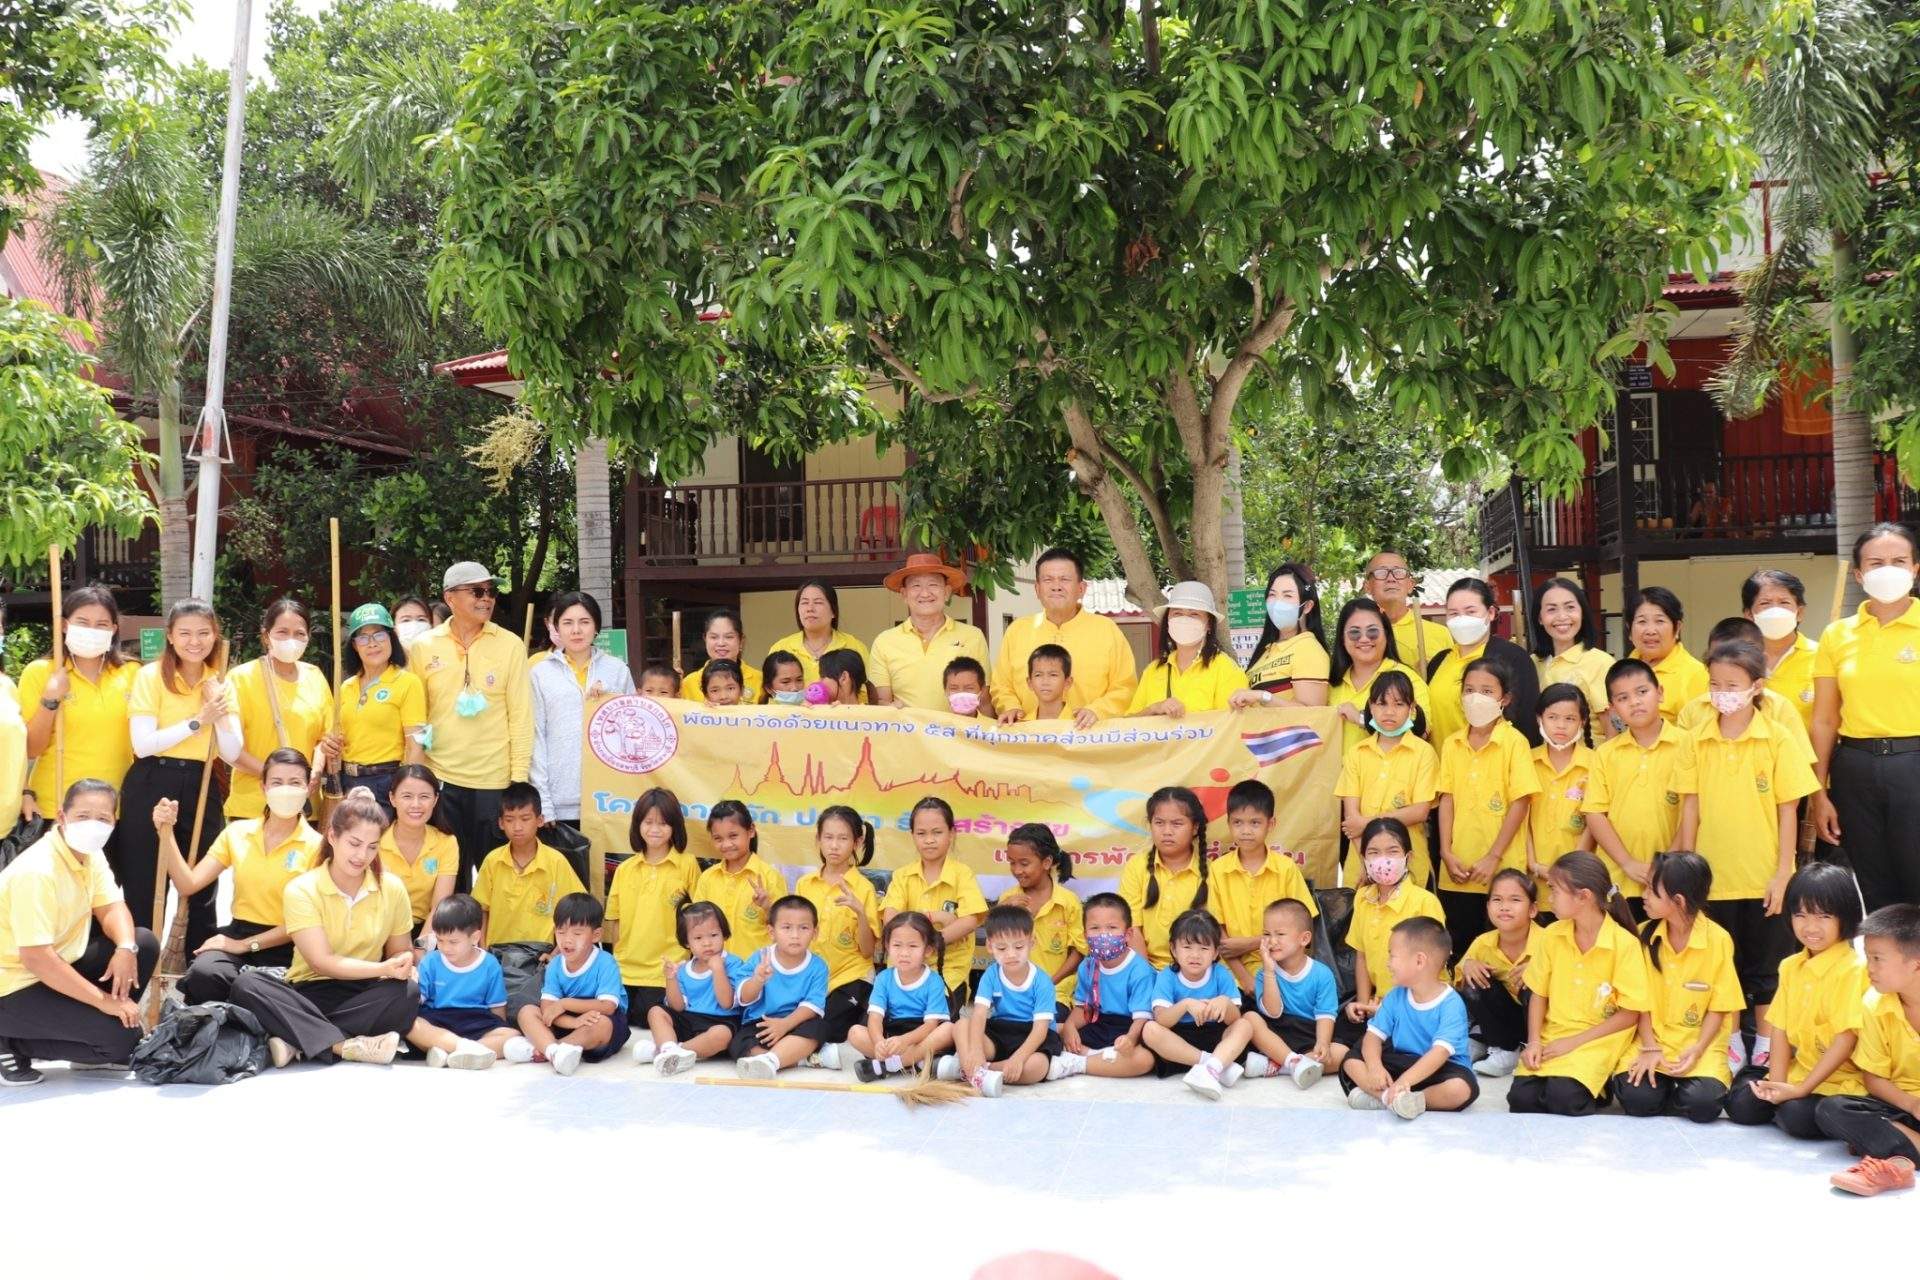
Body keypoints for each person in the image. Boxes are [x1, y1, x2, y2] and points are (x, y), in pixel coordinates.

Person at [1683, 639, 1817, 1070]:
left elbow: (1789, 809)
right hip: (1711, 877)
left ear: (1757, 686)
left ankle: (1764, 1040)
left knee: (1767, 965)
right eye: (1714, 684)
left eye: (1732, 685)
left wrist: (1783, 873)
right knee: (1722, 964)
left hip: (1763, 877)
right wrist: (1685, 870)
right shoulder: (1695, 740)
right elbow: (1689, 808)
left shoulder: (1777, 738)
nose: (1722, 693)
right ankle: (1728, 1040)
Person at [228, 787, 420, 1068]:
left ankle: (297, 1041)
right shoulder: (302, 889)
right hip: (310, 991)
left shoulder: (392, 887)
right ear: (332, 836)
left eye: (372, 847)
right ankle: (342, 1045)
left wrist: (404, 963)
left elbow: (399, 951)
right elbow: (321, 962)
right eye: (354, 843)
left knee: (408, 993)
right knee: (247, 985)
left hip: (363, 992)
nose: (362, 855)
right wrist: (383, 968)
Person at [0, 779, 158, 1084]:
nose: (93, 825)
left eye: (103, 818)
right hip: (12, 984)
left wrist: (126, 947)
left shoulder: (90, 854)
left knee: (142, 942)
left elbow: (111, 907)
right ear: (61, 816)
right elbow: (36, 958)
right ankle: (9, 1042)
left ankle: (90, 1036)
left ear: (114, 822)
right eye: (83, 816)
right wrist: (104, 1002)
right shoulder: (36, 872)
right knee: (121, 1040)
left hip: (58, 965)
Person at [155, 747, 322, 1004]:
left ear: (309, 788)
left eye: (295, 783)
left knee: (254, 985)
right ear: (263, 787)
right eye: (277, 782)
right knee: (203, 973)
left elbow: (307, 922)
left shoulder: (318, 846)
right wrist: (166, 833)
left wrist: (246, 945)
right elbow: (188, 884)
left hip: (290, 943)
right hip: (239, 932)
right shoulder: (238, 833)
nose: (285, 790)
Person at [1811, 522, 1920, 913]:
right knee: (1874, 887)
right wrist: (1819, 792)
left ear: (1915, 569)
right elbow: (1824, 720)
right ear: (1858, 574)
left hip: (1914, 763)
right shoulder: (1836, 635)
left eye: (1898, 561)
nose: (1888, 570)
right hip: (1855, 768)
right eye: (1876, 563)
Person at [120, 599, 240, 949]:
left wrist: (219, 712)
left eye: (203, 633)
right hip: (151, 779)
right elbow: (143, 744)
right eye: (185, 633)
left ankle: (199, 961)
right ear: (170, 636)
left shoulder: (221, 682)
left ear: (215, 635)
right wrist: (199, 720)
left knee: (202, 877)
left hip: (202, 780)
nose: (194, 641)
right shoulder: (150, 676)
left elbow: (231, 751)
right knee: (143, 878)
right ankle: (140, 957)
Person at [1725, 863, 1870, 1136]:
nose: (1810, 927)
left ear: (1846, 917)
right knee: (1741, 1106)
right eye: (1800, 915)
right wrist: (1777, 1085)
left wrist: (1801, 1090)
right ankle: (1777, 1096)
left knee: (1796, 1117)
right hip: (1799, 1071)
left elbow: (1846, 1040)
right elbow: (1779, 1029)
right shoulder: (1790, 966)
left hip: (1839, 1083)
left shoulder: (1854, 970)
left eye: (1824, 916)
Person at [413, 561, 533, 887]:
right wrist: (417, 775)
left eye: (491, 591)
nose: (487, 599)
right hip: (441, 779)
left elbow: (521, 716)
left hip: (494, 781)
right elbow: (417, 718)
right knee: (450, 879)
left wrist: (518, 781)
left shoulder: (510, 645)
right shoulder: (424, 647)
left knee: (499, 879)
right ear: (449, 598)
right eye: (477, 591)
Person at [1508, 851, 1650, 1116]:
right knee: (1521, 1099)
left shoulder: (1624, 944)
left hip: (1599, 1038)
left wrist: (1573, 1043)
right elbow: (1538, 993)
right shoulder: (1552, 935)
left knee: (1564, 1098)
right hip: (1554, 1034)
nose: (1549, 898)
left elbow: (1630, 1014)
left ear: (1584, 896)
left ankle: (1601, 1086)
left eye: (1554, 890)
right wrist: (1534, 1042)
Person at [1612, 851, 1743, 1124]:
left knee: (1703, 1104)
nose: (1644, 895)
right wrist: (1650, 1048)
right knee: (1638, 1100)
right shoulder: (1643, 935)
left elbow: (1720, 1007)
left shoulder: (1718, 940)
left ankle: (1679, 1089)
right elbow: (1637, 1002)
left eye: (1651, 890)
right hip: (1649, 1041)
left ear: (1678, 901)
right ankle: (1665, 1091)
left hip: (1700, 1044)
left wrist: (1698, 1049)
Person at [1434, 657, 1540, 960]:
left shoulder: (1515, 742)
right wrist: (1446, 852)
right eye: (1469, 690)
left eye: (1486, 691)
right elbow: (1447, 799)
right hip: (1458, 870)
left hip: (1501, 869)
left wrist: (1493, 856)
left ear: (1504, 699)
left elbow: (1521, 801)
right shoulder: (1452, 744)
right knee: (1462, 952)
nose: (1476, 698)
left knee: (1502, 954)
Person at [1816, 903, 1920, 1194]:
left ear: (1916, 964)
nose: (1869, 969)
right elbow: (1873, 1078)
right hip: (1904, 1106)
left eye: (1877, 959)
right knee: (1832, 1109)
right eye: (1867, 957)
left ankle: (1890, 1152)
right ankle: (1902, 1150)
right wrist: (1912, 1105)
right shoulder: (1874, 1004)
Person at [16, 585, 137, 824]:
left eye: (101, 624)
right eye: (82, 622)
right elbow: (30, 749)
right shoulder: (40, 672)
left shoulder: (132, 673)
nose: (92, 630)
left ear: (113, 629)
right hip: (58, 805)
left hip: (115, 807)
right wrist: (50, 699)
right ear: (64, 625)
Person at [1581, 659, 1698, 903]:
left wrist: (1666, 862)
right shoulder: (1605, 753)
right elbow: (1594, 813)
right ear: (1613, 708)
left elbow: (1694, 807)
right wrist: (1627, 862)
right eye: (1623, 698)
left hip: (1672, 879)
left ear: (1660, 693)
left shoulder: (1688, 744)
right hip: (1618, 879)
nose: (1634, 702)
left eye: (1642, 692)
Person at [1339, 916, 1479, 1118]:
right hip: (1400, 1061)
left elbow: (1439, 1053)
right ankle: (1389, 1098)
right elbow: (1373, 1037)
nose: (1388, 964)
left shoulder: (1451, 1003)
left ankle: (1409, 1099)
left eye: (1392, 956)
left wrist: (1405, 1081)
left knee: (1461, 1089)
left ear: (1419, 961)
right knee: (1352, 1061)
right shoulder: (1395, 995)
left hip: (1440, 1068)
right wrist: (1375, 1067)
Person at [472, 782, 586, 1016]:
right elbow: (481, 910)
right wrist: (483, 953)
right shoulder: (493, 861)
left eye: (525, 819)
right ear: (500, 823)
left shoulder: (556, 861)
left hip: (541, 956)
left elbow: (577, 912)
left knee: (531, 1009)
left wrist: (556, 954)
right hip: (498, 955)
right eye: (510, 819)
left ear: (540, 820)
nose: (517, 827)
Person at [990, 547, 1137, 727]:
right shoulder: (1017, 630)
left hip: (1090, 736)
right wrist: (1010, 707)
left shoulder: (1107, 630)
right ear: (1037, 589)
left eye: (1065, 579)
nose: (1056, 586)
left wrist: (1098, 711)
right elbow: (1001, 685)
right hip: (1029, 736)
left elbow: (1125, 687)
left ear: (1081, 588)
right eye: (1048, 580)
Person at [1338, 818, 1446, 1048]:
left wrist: (1391, 1005)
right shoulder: (1362, 897)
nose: (1383, 860)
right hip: (1377, 1004)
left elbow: (1432, 967)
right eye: (1374, 852)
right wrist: (1364, 1004)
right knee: (1335, 1046)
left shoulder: (1425, 902)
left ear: (1408, 857)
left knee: (1365, 1053)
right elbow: (1362, 956)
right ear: (1364, 859)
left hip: (1418, 1005)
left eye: (1392, 851)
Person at [529, 590, 634, 826]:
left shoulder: (617, 670)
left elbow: (633, 729)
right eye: (567, 623)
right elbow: (536, 737)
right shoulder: (540, 673)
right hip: (559, 800)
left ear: (596, 627)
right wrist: (543, 801)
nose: (576, 630)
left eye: (584, 622)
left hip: (610, 799)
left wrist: (609, 698)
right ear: (556, 628)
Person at [225, 598, 336, 821]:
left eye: (299, 633)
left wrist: (314, 773)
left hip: (304, 806)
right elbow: (230, 750)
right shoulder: (240, 678)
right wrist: (278, 778)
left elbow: (325, 739)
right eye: (282, 632)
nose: (291, 640)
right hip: (254, 807)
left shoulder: (315, 676)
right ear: (266, 636)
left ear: (308, 637)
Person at [607, 788, 699, 1044]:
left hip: (665, 970)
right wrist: (615, 962)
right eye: (648, 822)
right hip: (624, 970)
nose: (655, 829)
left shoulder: (687, 864)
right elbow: (614, 921)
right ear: (637, 824)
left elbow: (698, 919)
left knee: (650, 1016)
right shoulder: (625, 869)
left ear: (675, 826)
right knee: (613, 1017)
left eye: (663, 823)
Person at [942, 904, 1063, 1096]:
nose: (1011, 954)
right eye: (1002, 948)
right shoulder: (991, 974)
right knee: (961, 1025)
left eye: (1019, 947)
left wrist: (1018, 1059)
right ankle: (974, 1068)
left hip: (1031, 1035)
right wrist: (976, 1050)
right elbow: (979, 1014)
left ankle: (970, 1071)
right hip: (1001, 1031)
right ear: (990, 946)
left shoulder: (1042, 981)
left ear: (1032, 942)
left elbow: (1040, 1030)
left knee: (1037, 1068)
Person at [503, 892, 628, 1075]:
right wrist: (573, 1022)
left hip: (598, 1018)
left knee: (601, 1025)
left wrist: (565, 1004)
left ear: (596, 935)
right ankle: (554, 1052)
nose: (567, 940)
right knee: (527, 1011)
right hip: (566, 1020)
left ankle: (541, 1050)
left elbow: (607, 1006)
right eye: (560, 932)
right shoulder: (555, 964)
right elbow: (548, 1009)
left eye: (577, 933)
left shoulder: (605, 962)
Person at [1210, 779, 1316, 993]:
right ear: (1228, 823)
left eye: (1255, 823)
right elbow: (1218, 933)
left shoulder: (1286, 868)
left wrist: (1250, 943)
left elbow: (1302, 928)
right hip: (1232, 975)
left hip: (1282, 970)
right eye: (1238, 822)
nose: (1246, 831)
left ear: (1271, 824)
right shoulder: (1218, 869)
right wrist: (1245, 979)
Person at [1335, 669, 1437, 888]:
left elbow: (1420, 811)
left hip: (1410, 866)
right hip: (1360, 868)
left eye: (1399, 704)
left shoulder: (1424, 753)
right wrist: (1366, 864)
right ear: (1370, 707)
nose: (1389, 712)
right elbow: (1352, 822)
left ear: (1412, 709)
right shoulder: (1356, 753)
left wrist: (1367, 823)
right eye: (1381, 704)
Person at [794, 805, 881, 1056]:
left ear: (857, 842)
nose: (834, 846)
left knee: (824, 1026)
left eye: (843, 838)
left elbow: (867, 951)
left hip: (851, 978)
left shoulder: (863, 888)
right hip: (811, 978)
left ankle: (808, 1053)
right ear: (818, 839)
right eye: (828, 837)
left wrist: (860, 913)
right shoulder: (805, 884)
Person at [1141, 909, 1253, 1100]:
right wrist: (1185, 1004)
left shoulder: (1221, 974)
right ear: (1174, 949)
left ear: (1215, 952)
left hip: (1216, 1039)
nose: (1195, 955)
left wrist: (1225, 1003)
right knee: (1150, 1029)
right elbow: (1162, 1019)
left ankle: (1214, 1065)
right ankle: (1213, 1066)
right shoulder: (1167, 976)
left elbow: (1234, 1018)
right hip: (1179, 1045)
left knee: (1245, 1024)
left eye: (1203, 948)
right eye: (1187, 947)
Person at [882, 797, 987, 999]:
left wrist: (932, 942)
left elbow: (970, 920)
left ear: (951, 833)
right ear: (912, 835)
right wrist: (915, 942)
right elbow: (890, 917)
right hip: (902, 970)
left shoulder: (963, 874)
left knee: (937, 1016)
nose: (929, 840)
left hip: (947, 972)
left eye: (937, 832)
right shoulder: (902, 876)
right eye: (921, 833)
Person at [1050, 894, 1158, 1081]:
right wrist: (1069, 1026)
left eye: (1112, 928)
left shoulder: (1140, 970)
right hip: (1100, 1023)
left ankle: (1079, 1062)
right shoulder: (1087, 965)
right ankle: (1101, 1058)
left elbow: (1142, 1018)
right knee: (1053, 1030)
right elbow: (1084, 1008)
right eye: (1095, 928)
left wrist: (1130, 1039)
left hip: (1131, 1026)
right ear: (1085, 935)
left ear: (1128, 934)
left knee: (1145, 1060)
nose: (1103, 935)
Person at [1238, 898, 1341, 1086]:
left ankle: (1279, 1066)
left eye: (1280, 934)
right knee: (1250, 1018)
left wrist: (1322, 1043)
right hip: (1275, 1034)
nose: (1272, 941)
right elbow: (1273, 1012)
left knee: (1342, 1053)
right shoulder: (1263, 973)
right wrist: (1270, 971)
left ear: (1304, 939)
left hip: (1309, 1033)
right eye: (1266, 934)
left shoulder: (1322, 974)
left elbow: (1325, 1014)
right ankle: (1294, 1062)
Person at [1426, 577, 1539, 746]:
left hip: (1491, 760)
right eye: (1454, 613)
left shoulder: (1512, 658)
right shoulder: (1439, 661)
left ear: (1490, 613)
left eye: (1471, 612)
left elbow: (1527, 723)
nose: (1462, 619)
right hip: (1443, 760)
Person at [407, 894, 514, 1070]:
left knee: (511, 1036)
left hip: (476, 1020)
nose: (445, 947)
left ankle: (449, 1052)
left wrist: (499, 1027)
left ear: (475, 937)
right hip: (437, 1020)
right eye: (440, 940)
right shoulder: (431, 961)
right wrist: (410, 980)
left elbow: (497, 1009)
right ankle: (462, 1049)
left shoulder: (489, 964)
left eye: (453, 941)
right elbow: (418, 999)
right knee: (411, 1024)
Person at [870, 555, 990, 712]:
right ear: (904, 594)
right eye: (916, 586)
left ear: (946, 592)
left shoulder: (973, 636)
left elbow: (984, 699)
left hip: (957, 727)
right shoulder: (885, 642)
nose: (925, 593)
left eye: (933, 584)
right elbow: (881, 702)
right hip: (908, 727)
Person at [336, 603, 426, 811]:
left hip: (386, 782)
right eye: (363, 637)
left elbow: (416, 746)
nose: (372, 644)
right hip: (347, 781)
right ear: (354, 645)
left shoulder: (407, 682)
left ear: (391, 638)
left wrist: (406, 792)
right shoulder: (346, 687)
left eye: (379, 635)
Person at [729, 895, 831, 1079]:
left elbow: (812, 1006)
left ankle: (771, 1061)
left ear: (815, 932)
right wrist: (757, 980)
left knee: (818, 1028)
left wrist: (785, 1025)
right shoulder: (760, 958)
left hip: (795, 1023)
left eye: (804, 928)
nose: (795, 935)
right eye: (786, 927)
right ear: (772, 931)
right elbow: (743, 997)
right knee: (739, 1043)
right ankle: (799, 1059)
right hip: (761, 1024)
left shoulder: (818, 966)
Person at [1457, 868, 1546, 1078]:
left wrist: (1540, 971)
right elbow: (1457, 984)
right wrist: (1468, 965)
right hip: (1505, 1021)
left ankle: (1519, 1046)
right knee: (1472, 982)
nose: (1504, 907)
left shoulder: (1549, 941)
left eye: (1515, 900)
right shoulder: (1483, 943)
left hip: (1541, 1023)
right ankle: (1504, 1048)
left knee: (1533, 982)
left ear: (1532, 909)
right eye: (1497, 900)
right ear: (1488, 906)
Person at [847, 912, 955, 1083]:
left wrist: (905, 1041)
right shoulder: (883, 978)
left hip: (920, 1036)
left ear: (927, 950)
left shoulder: (933, 981)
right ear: (887, 946)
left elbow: (931, 1025)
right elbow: (875, 1018)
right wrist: (879, 1042)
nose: (904, 953)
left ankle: (889, 1065)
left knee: (948, 1029)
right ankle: (916, 1063)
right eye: (897, 945)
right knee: (855, 1032)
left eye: (913, 946)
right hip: (892, 1035)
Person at [647, 901, 752, 1076]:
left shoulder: (733, 963)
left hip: (721, 1021)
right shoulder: (684, 968)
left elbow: (726, 1003)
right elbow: (677, 1007)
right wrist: (671, 978)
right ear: (687, 942)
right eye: (698, 938)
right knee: (655, 1011)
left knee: (721, 1035)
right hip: (688, 1020)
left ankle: (671, 1051)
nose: (707, 943)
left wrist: (718, 970)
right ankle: (668, 1048)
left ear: (724, 934)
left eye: (714, 935)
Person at [1117, 786, 1212, 969]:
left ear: (1195, 827)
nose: (1167, 831)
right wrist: (1147, 975)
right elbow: (1132, 927)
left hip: (1196, 969)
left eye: (1177, 824)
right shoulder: (1137, 866)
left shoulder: (1211, 872)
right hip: (1146, 968)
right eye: (1159, 823)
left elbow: (1212, 935)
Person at [1126, 581, 1249, 717]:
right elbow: (1128, 723)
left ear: (1209, 624)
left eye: (1194, 614)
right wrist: (1154, 708)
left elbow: (1232, 723)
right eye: (1177, 613)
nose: (1184, 619)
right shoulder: (1152, 671)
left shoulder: (1226, 669)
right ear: (1168, 621)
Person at [996, 823, 1082, 1014]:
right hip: (1012, 992)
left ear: (1046, 862)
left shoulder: (1068, 902)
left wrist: (1049, 982)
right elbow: (996, 944)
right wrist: (1004, 912)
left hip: (1055, 992)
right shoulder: (1007, 899)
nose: (1017, 870)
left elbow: (1079, 951)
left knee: (1049, 1025)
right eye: (1012, 862)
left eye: (1024, 863)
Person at [1524, 684, 1596, 909]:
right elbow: (1520, 818)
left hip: (1578, 880)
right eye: (1552, 717)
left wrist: (1570, 870)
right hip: (1532, 877)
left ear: (1582, 721)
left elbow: (1595, 822)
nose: (1561, 725)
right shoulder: (1526, 761)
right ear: (1539, 718)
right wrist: (1532, 863)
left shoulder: (1595, 763)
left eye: (1570, 718)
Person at [1329, 597, 1432, 753]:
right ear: (1342, 639)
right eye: (1354, 633)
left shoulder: (1407, 679)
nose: (1364, 639)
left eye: (1372, 631)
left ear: (1387, 634)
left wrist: (1362, 719)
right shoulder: (1330, 683)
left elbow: (1421, 731)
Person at [696, 800, 789, 960]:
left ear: (751, 831)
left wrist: (768, 907)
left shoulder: (770, 876)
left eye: (733, 836)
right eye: (718, 838)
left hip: (756, 969)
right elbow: (696, 925)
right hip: (716, 968)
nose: (726, 844)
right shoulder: (708, 878)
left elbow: (786, 927)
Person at [1231, 562, 1330, 708]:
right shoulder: (1267, 649)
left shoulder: (1309, 650)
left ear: (1307, 606)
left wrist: (1262, 697)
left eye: (1287, 595)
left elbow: (1311, 713)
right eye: (1272, 594)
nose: (1277, 603)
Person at [378, 765, 459, 940]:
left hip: (427, 930)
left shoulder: (447, 842)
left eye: (424, 797)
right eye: (407, 796)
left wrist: (421, 948)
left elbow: (439, 907)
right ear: (392, 798)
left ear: (435, 800)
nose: (416, 804)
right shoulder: (375, 840)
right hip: (380, 929)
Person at [1532, 577, 1615, 742]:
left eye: (1570, 607)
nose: (1562, 616)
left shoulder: (1600, 662)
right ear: (1540, 618)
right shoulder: (1532, 663)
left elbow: (1612, 733)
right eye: (1551, 609)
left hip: (1590, 757)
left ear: (1582, 613)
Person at [1745, 569, 1819, 733]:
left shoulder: (1822, 656)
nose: (1775, 610)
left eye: (1784, 602)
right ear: (1749, 615)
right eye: (1765, 603)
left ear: (1799, 612)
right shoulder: (1736, 661)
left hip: (1806, 750)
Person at [768, 579, 872, 687]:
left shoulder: (854, 646)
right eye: (804, 603)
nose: (810, 609)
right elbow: (771, 693)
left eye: (818, 602)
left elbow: (864, 693)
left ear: (833, 611)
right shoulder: (781, 648)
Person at [1627, 586, 1708, 723]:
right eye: (1642, 622)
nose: (1650, 631)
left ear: (1677, 628)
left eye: (1659, 621)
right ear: (1629, 628)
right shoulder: (1622, 669)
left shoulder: (1697, 674)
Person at [1362, 550, 1451, 673]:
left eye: (1398, 572)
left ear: (1410, 585)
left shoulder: (1440, 634)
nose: (1391, 579)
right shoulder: (1359, 637)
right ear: (1367, 586)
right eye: (1381, 573)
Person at [679, 609, 762, 702]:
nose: (721, 643)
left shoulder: (760, 681)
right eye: (714, 637)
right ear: (705, 640)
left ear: (741, 641)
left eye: (729, 637)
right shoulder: (688, 683)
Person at [1022, 647, 1072, 721]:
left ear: (1067, 683)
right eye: (1038, 675)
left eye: (1053, 675)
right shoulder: (1021, 725)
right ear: (1030, 683)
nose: (1045, 682)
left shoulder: (1081, 725)